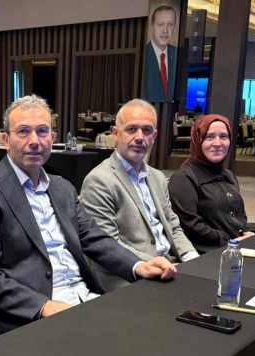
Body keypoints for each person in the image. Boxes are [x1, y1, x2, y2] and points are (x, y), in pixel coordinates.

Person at [0, 95, 177, 340]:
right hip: (29, 316)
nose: (34, 141)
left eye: (42, 131)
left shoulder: (62, 188)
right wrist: (43, 306)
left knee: (158, 332)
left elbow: (94, 238)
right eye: (23, 131)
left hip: (85, 299)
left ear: (52, 138)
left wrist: (138, 265)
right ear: (6, 141)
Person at [81, 99, 198, 291]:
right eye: (131, 129)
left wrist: (192, 259)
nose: (139, 137)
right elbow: (107, 244)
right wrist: (154, 265)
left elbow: (173, 227)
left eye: (146, 130)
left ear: (154, 136)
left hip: (170, 267)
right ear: (115, 134)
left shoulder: (158, 178)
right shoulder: (99, 181)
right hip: (128, 275)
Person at [167, 114, 255, 254]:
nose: (217, 143)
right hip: (204, 256)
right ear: (198, 140)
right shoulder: (184, 179)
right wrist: (230, 240)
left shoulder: (229, 175)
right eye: (209, 137)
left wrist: (249, 232)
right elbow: (189, 226)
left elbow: (237, 218)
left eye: (223, 136)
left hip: (234, 251)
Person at [142, 5, 177, 102]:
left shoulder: (177, 55)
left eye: (170, 24)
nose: (165, 30)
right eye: (160, 24)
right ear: (152, 26)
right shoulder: (143, 55)